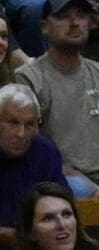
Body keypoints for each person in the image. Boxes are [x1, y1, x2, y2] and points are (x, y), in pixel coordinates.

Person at [14, 0, 99, 199]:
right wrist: (76, 177)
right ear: (44, 27)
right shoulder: (27, 78)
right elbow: (31, 147)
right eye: (64, 16)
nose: (75, 23)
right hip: (54, 177)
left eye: (81, 16)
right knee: (78, 189)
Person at [0, 84, 69, 230]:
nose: (21, 134)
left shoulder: (45, 152)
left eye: (29, 124)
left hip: (34, 244)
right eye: (13, 123)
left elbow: (61, 206)